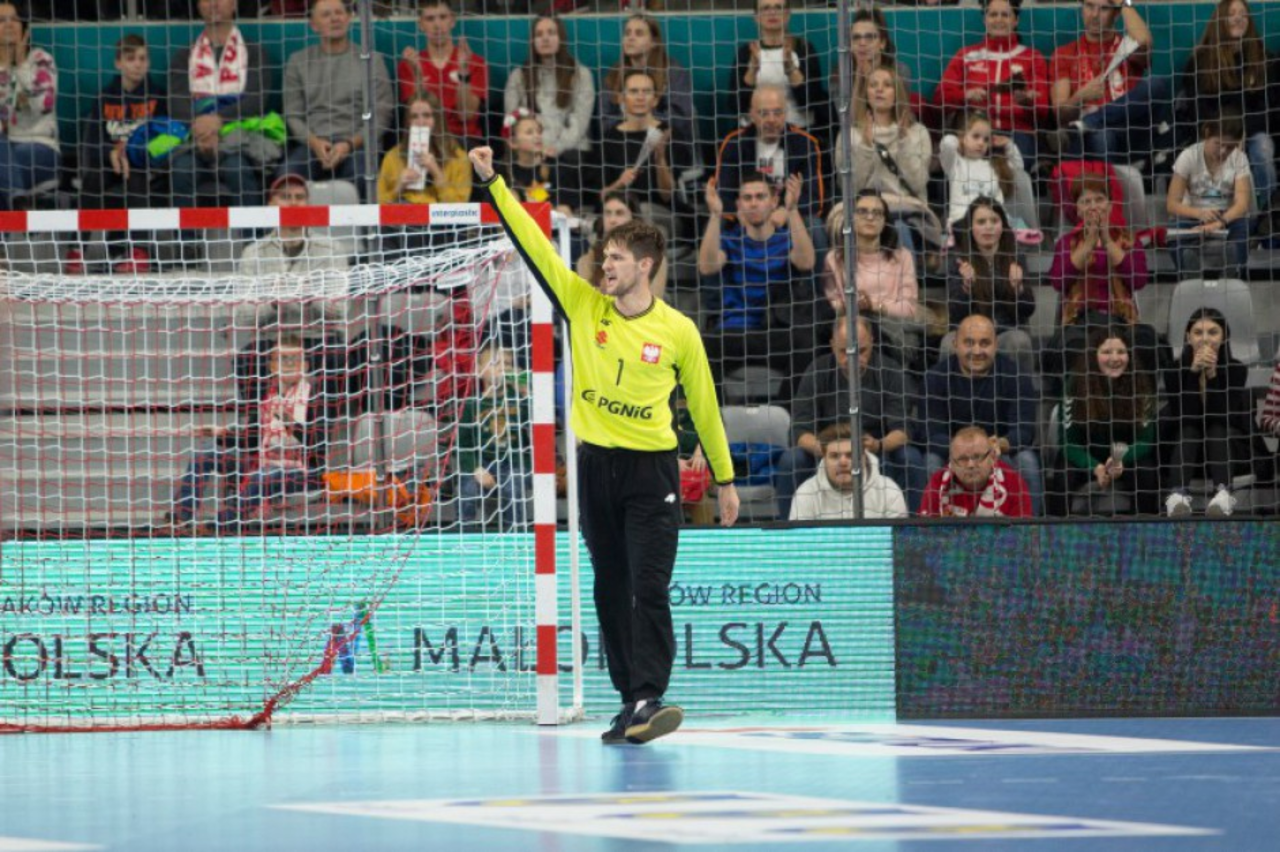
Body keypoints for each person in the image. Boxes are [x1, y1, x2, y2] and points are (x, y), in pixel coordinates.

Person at [469, 144, 740, 745]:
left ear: (645, 265)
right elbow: (534, 246)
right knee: (610, 587)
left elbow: (705, 407)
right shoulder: (584, 304)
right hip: (594, 469)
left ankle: (649, 694)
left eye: (615, 257)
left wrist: (725, 480)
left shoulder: (678, 331)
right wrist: (493, 184)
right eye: (604, 255)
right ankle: (629, 702)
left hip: (652, 473)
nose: (604, 265)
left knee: (650, 585)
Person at [162, 333, 338, 533]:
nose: (289, 364)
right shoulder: (267, 396)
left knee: (263, 476)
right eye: (283, 359)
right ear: (273, 366)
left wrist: (288, 420)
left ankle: (219, 526)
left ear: (305, 366)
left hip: (304, 471)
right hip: (265, 461)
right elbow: (251, 441)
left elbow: (319, 445)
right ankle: (180, 518)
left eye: (295, 359)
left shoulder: (316, 396)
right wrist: (220, 434)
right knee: (204, 454)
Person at [778, 315, 925, 517]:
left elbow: (903, 430)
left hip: (875, 448)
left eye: (861, 351)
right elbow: (799, 430)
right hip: (828, 449)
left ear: (872, 342)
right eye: (844, 351)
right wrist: (825, 449)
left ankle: (916, 528)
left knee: (910, 457)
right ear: (832, 345)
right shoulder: (817, 370)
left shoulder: (889, 370)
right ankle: (787, 529)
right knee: (791, 461)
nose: (852, 358)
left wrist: (879, 445)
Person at [699, 171, 822, 403]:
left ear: (774, 202)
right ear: (738, 205)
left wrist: (792, 209)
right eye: (747, 198)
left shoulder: (786, 239)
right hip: (734, 331)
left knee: (807, 342)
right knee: (700, 345)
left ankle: (787, 414)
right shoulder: (729, 240)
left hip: (775, 330)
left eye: (760, 196)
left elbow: (806, 262)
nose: (753, 203)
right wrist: (715, 215)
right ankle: (716, 419)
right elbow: (707, 267)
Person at [917, 314, 1043, 515]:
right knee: (931, 461)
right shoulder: (934, 378)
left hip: (999, 451)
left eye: (984, 343)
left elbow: (1025, 431)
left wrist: (999, 444)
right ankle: (933, 528)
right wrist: (963, 451)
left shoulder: (1017, 376)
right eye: (969, 343)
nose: (977, 351)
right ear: (955, 344)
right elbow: (929, 433)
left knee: (1027, 461)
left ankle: (1029, 530)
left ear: (996, 345)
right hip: (953, 453)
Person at [278, 0, 394, 198]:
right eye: (326, 14)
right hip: (312, 146)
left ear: (349, 18)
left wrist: (348, 145)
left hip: (358, 146)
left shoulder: (372, 60)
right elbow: (293, 115)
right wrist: (315, 143)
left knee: (360, 177)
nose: (334, 19)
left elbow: (382, 115)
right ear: (313, 25)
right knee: (287, 178)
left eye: (339, 13)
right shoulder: (298, 62)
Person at [1046, 174, 1159, 378]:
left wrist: (1107, 240)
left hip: (1121, 320)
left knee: (1146, 340)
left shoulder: (1129, 240)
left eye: (1099, 199)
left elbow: (1138, 280)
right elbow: (1058, 281)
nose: (1093, 206)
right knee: (1073, 345)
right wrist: (1088, 243)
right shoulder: (1067, 242)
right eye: (1086, 201)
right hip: (1081, 321)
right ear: (1078, 209)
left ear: (1110, 205)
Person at [167, 0, 275, 209]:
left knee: (238, 170)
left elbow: (256, 100)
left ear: (234, 4)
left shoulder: (253, 52)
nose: (214, 4)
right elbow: (176, 103)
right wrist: (201, 130)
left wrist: (219, 120)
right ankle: (187, 232)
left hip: (238, 141)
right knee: (181, 170)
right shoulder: (184, 55)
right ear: (198, 6)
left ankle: (250, 231)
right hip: (193, 141)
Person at [74, 33, 166, 275]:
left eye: (143, 58)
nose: (138, 64)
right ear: (118, 63)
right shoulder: (105, 97)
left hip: (143, 165)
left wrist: (134, 153)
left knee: (135, 177)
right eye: (131, 58)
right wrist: (111, 153)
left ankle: (139, 251)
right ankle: (77, 250)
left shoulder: (158, 96)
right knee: (92, 180)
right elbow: (93, 140)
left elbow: (165, 139)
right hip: (110, 164)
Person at [1049, 0, 1174, 164]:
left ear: (1116, 14)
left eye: (1104, 8)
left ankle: (1088, 123)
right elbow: (1060, 115)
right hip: (1091, 140)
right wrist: (1080, 97)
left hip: (1131, 132)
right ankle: (1091, 131)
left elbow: (1144, 42)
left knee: (1156, 84)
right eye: (1089, 6)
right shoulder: (1064, 53)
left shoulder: (1127, 47)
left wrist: (1123, 2)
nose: (1094, 15)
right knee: (1102, 135)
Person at [1182, 0, 1277, 214]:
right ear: (1220, 20)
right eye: (1232, 13)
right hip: (1215, 135)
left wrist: (1242, 132)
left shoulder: (1264, 59)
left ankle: (1269, 218)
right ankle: (1218, 217)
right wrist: (1228, 135)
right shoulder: (1200, 62)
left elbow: (1270, 112)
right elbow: (1199, 113)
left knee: (1262, 146)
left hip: (1252, 134)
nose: (1238, 18)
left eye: (1243, 13)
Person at [1058, 324, 1160, 516]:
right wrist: (1095, 467)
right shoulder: (1075, 383)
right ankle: (1057, 530)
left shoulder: (1141, 385)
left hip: (1124, 459)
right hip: (1087, 458)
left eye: (1121, 351)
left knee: (1146, 469)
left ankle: (1145, 527)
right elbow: (1068, 443)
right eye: (1106, 352)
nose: (1115, 358)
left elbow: (1146, 441)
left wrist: (1121, 460)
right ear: (1093, 356)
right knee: (1064, 471)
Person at [933, 0, 1050, 166]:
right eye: (993, 14)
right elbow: (939, 98)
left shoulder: (1033, 57)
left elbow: (1044, 111)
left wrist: (1029, 102)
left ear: (1016, 20)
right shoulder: (966, 55)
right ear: (985, 19)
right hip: (973, 132)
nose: (999, 20)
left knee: (1009, 165)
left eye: (1005, 15)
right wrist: (966, 95)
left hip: (1017, 133)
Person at [1163, 308, 1254, 517]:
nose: (1205, 339)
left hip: (1226, 449)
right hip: (1185, 450)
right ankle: (1177, 497)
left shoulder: (1237, 369)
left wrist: (1212, 375)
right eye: (1198, 332)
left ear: (1224, 336)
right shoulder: (1172, 370)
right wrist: (1193, 373)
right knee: (1189, 430)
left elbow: (1223, 416)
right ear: (1188, 337)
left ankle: (1223, 495)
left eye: (1213, 332)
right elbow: (1184, 416)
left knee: (1216, 428)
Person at [237, 174, 351, 329]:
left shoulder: (333, 249)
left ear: (308, 205)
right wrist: (273, 302)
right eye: (285, 197)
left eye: (300, 197)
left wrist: (312, 296)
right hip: (271, 338)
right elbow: (244, 318)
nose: (293, 203)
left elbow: (340, 312)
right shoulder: (253, 252)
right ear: (271, 205)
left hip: (319, 337)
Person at [821, 193, 920, 368]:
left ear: (885, 221)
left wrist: (873, 306)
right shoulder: (834, 258)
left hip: (894, 330)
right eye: (862, 211)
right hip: (851, 327)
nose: (870, 217)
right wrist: (852, 306)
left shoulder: (902, 257)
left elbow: (910, 309)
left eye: (877, 213)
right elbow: (832, 305)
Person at [844, 66, 934, 255]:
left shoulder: (918, 133)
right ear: (865, 93)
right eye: (873, 85)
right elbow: (852, 188)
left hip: (907, 213)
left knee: (898, 228)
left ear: (897, 92)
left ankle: (906, 275)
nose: (879, 89)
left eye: (887, 85)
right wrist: (866, 146)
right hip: (865, 212)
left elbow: (918, 184)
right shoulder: (851, 135)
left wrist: (903, 142)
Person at [941, 197, 1035, 376]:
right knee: (949, 344)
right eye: (981, 222)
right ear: (971, 227)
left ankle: (1021, 394)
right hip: (969, 334)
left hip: (1005, 331)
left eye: (994, 221)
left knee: (1019, 342)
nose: (988, 227)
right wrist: (966, 286)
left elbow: (1028, 310)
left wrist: (1019, 288)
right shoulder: (959, 260)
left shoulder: (1016, 257)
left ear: (1003, 225)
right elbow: (955, 313)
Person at [598, 70, 692, 247]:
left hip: (661, 212)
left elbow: (667, 196)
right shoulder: (609, 138)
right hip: (619, 213)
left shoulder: (669, 135)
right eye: (634, 91)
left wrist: (660, 159)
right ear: (621, 98)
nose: (640, 97)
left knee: (644, 214)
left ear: (655, 99)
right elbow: (602, 195)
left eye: (646, 91)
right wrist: (619, 183)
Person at [503, 16, 595, 183]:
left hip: (570, 150)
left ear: (561, 38)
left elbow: (579, 123)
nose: (545, 38)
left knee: (563, 167)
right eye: (539, 34)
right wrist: (538, 146)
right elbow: (513, 122)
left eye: (551, 33)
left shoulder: (581, 75)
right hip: (530, 149)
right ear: (533, 41)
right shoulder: (518, 76)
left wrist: (555, 148)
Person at [714, 85, 825, 223]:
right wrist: (742, 213)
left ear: (786, 114)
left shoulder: (805, 144)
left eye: (777, 113)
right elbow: (724, 195)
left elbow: (814, 199)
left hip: (788, 214)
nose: (771, 120)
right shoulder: (734, 144)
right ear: (752, 115)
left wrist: (786, 211)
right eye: (764, 113)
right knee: (718, 223)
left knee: (814, 224)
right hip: (746, 214)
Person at [1165, 113, 1254, 280]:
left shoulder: (1239, 158)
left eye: (1230, 147)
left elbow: (1242, 204)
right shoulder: (1188, 156)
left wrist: (1219, 223)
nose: (1223, 151)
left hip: (1227, 217)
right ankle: (1190, 275)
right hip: (1194, 215)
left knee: (1243, 227)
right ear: (1207, 134)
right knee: (1173, 231)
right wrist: (1199, 214)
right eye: (1218, 144)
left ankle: (1233, 275)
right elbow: (1171, 204)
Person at [455, 340, 532, 531]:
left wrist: (525, 391)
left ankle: (515, 536)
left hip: (514, 462)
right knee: (468, 491)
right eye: (495, 363)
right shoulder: (471, 404)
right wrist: (476, 468)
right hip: (482, 463)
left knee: (513, 489)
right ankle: (465, 538)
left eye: (507, 364)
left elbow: (538, 425)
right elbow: (462, 445)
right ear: (479, 370)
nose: (502, 368)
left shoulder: (521, 401)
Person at [728, 0, 830, 140]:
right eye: (766, 8)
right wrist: (752, 71)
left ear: (787, 14)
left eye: (778, 7)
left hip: (798, 132)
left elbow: (812, 102)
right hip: (754, 134)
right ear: (756, 17)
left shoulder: (804, 49)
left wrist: (790, 69)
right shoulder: (746, 53)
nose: (772, 12)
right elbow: (736, 106)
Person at [598, 14, 695, 154]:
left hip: (665, 142)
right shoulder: (614, 74)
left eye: (639, 33)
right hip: (624, 143)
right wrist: (633, 122)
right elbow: (604, 121)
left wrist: (639, 117)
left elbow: (680, 119)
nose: (631, 38)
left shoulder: (673, 72)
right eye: (627, 33)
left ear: (654, 42)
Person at [397, 0, 486, 146]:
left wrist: (463, 71)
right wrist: (418, 76)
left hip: (463, 139)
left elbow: (466, 115)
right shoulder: (409, 64)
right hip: (425, 137)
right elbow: (415, 117)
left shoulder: (475, 62)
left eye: (443, 17)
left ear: (452, 20)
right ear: (420, 24)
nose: (437, 25)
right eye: (430, 19)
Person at [0, 2, 59, 210]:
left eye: (14, 19)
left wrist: (21, 65)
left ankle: (15, 197)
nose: (9, 24)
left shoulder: (41, 60)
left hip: (40, 147)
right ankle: (17, 201)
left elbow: (42, 106)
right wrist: (4, 68)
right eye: (2, 20)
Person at [939, 110, 1036, 232]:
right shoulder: (955, 164)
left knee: (1022, 227)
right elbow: (947, 143)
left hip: (994, 224)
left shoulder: (993, 165)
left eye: (986, 139)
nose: (981, 143)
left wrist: (1008, 144)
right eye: (976, 136)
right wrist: (959, 141)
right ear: (962, 137)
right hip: (964, 224)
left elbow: (1018, 168)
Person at [790, 423, 908, 521]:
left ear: (864, 457)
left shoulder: (889, 491)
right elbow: (799, 542)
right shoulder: (805, 494)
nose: (843, 462)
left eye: (851, 455)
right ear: (824, 459)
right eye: (834, 456)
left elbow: (899, 541)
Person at [919, 425, 1033, 518]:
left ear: (993, 457)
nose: (971, 465)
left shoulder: (1013, 482)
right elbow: (925, 533)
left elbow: (1022, 534)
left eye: (977, 457)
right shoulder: (938, 483)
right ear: (952, 463)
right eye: (963, 459)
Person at [577, 191, 668, 299]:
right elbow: (588, 302)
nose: (612, 220)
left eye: (619, 213)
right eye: (607, 213)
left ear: (633, 218)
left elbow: (652, 300)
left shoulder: (654, 259)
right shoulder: (587, 261)